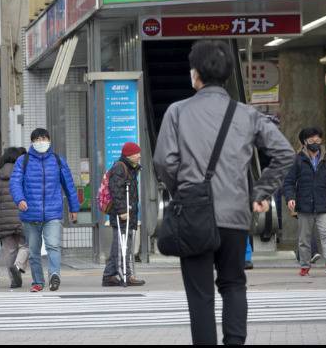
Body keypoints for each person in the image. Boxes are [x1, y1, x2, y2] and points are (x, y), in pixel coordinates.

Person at [153, 40, 295, 346]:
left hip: (193, 216)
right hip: (235, 214)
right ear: (229, 75)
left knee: (200, 295)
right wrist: (260, 190)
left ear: (195, 75)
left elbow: (164, 161)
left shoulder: (177, 112)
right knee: (233, 284)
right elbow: (284, 152)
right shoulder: (247, 114)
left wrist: (183, 190)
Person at [10, 128, 80, 293]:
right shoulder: (23, 160)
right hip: (30, 213)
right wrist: (19, 199)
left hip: (53, 212)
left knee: (53, 245)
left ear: (49, 140)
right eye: (37, 139)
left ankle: (54, 275)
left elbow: (69, 185)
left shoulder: (57, 160)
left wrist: (74, 207)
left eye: (44, 138)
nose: (41, 142)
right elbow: (15, 182)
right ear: (32, 141)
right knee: (34, 251)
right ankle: (38, 281)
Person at [284, 127, 326, 277]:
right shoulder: (297, 160)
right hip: (304, 206)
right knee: (304, 238)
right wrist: (290, 198)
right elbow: (288, 182)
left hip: (324, 205)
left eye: (318, 140)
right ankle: (304, 265)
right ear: (304, 142)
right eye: (311, 140)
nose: (315, 143)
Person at [102, 142, 146, 287]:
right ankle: (124, 275)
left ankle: (109, 276)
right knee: (122, 247)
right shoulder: (120, 167)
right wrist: (122, 211)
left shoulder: (131, 168)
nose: (139, 155)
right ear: (129, 155)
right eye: (137, 153)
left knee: (121, 246)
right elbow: (116, 191)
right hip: (122, 214)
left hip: (129, 213)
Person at [0, 147, 30, 289]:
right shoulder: (23, 172)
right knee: (28, 244)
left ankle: (14, 280)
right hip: (22, 216)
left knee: (10, 250)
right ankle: (18, 265)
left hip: (4, 220)